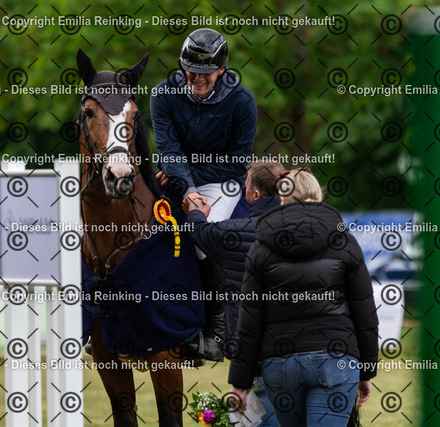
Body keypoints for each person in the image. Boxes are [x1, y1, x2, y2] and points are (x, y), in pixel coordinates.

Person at [228, 168, 379, 426]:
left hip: (280, 365)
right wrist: (366, 370)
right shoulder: (345, 240)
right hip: (336, 358)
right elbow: (364, 310)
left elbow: (249, 319)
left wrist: (239, 383)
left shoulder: (260, 247)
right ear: (318, 196)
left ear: (282, 200)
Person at [151, 28, 258, 361]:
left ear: (221, 69)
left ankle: (215, 331)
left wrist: (186, 179)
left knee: (202, 239)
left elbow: (237, 162)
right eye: (191, 71)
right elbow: (168, 150)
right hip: (176, 176)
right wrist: (185, 184)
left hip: (222, 181)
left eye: (206, 72)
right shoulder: (162, 95)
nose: (197, 78)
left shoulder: (242, 101)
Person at [186, 160, 285, 427]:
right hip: (309, 353)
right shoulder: (309, 230)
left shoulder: (234, 232)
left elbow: (200, 232)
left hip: (257, 359)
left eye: (245, 188)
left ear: (254, 195)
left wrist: (195, 211)